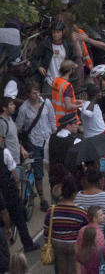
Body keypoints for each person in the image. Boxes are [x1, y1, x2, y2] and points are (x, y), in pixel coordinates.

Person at [16, 81, 55, 209]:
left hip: (48, 141)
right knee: (38, 173)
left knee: (52, 169)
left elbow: (52, 120)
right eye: (33, 92)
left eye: (37, 91)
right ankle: (43, 199)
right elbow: (18, 128)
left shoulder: (46, 103)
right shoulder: (24, 109)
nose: (37, 94)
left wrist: (54, 135)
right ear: (28, 94)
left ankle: (54, 196)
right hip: (34, 142)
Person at [43, 175, 87, 274]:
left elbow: (46, 232)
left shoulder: (51, 210)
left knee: (61, 269)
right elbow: (85, 234)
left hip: (57, 244)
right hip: (74, 245)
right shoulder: (82, 212)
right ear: (74, 194)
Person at [35, 21, 79, 91]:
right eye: (54, 32)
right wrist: (39, 66)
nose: (55, 34)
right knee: (48, 100)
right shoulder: (46, 45)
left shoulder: (68, 45)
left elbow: (74, 59)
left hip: (63, 80)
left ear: (62, 33)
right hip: (49, 80)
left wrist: (70, 71)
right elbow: (35, 58)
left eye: (58, 32)